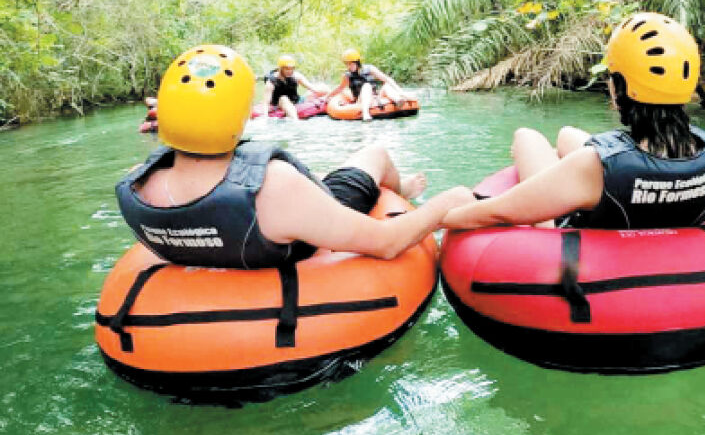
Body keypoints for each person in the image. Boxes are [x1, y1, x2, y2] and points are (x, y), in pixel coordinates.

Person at [116, 44, 476, 269]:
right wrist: (445, 203)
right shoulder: (274, 187)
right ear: (238, 117)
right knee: (375, 152)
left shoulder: (138, 181)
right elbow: (387, 243)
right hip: (299, 219)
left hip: (252, 227)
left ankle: (382, 182)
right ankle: (404, 188)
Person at [442, 12, 705, 231]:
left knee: (526, 137)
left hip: (578, 224)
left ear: (620, 88)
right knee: (568, 134)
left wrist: (447, 216)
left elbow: (497, 212)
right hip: (628, 194)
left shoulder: (597, 166)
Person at [325, 49, 413, 121]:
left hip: (376, 97)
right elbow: (340, 88)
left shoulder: (370, 69)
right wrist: (328, 96)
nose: (349, 66)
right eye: (347, 64)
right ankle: (366, 113)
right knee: (367, 86)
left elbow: (386, 79)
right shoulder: (347, 76)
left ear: (357, 62)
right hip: (361, 100)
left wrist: (401, 92)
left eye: (351, 63)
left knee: (386, 85)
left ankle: (398, 100)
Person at [259, 54, 329, 119]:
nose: (290, 71)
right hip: (279, 103)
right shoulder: (271, 82)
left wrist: (327, 94)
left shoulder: (296, 76)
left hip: (296, 100)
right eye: (287, 68)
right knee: (284, 98)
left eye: (292, 68)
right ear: (280, 68)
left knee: (323, 86)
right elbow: (266, 103)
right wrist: (265, 117)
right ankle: (295, 121)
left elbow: (313, 89)